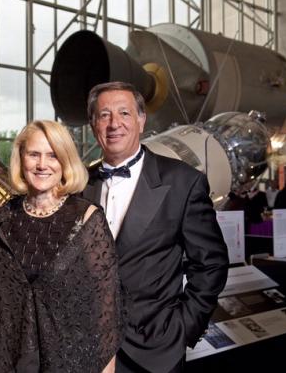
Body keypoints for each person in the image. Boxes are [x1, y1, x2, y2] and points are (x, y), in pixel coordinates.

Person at [83, 82, 229, 373]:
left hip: (154, 351)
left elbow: (211, 264)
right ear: (93, 124)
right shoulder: (77, 185)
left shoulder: (183, 182)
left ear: (141, 119)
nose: (114, 124)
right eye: (104, 115)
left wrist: (182, 329)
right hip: (86, 349)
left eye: (124, 113)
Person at [0, 120, 122, 372]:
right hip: (10, 363)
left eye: (52, 155)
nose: (42, 164)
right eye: (34, 154)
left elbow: (106, 317)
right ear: (21, 159)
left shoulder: (88, 220)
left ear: (65, 161)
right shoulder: (0, 220)